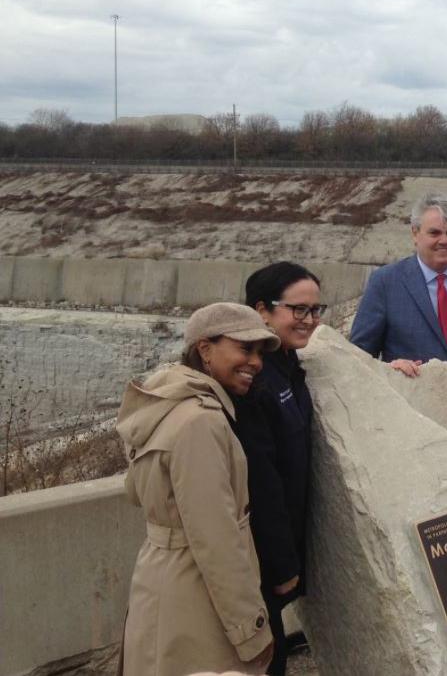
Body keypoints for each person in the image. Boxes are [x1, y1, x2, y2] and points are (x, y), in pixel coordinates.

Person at [117, 303, 280, 676]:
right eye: (244, 348)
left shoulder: (166, 404)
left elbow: (136, 492)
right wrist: (250, 631)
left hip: (163, 579)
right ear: (205, 349)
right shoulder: (201, 423)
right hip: (197, 598)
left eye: (259, 352)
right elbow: (216, 539)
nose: (255, 362)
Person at [351, 194, 447, 419]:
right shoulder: (385, 282)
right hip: (414, 418)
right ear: (415, 233)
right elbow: (359, 355)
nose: (444, 240)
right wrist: (390, 368)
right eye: (434, 233)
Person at [242, 262, 322, 675]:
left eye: (315, 310)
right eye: (298, 310)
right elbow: (262, 483)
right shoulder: (255, 382)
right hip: (261, 560)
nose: (309, 321)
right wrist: (283, 566)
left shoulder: (288, 364)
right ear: (262, 311)